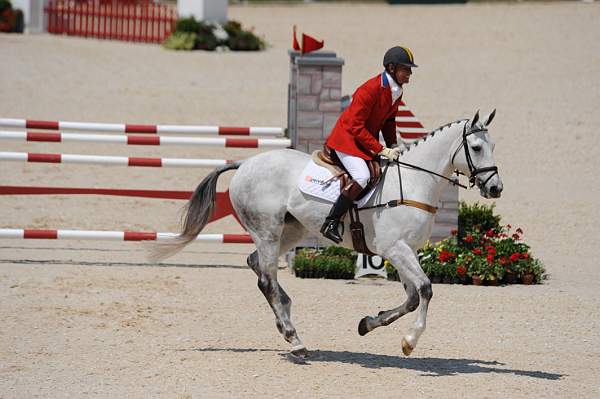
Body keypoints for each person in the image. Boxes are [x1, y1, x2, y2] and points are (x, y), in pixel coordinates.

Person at [320, 46, 418, 243]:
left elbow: (389, 121)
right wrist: (381, 149)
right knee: (362, 176)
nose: (409, 73)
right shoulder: (370, 89)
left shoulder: (396, 90)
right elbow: (355, 125)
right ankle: (331, 221)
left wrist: (393, 144)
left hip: (362, 142)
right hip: (346, 141)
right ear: (391, 68)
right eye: (405, 69)